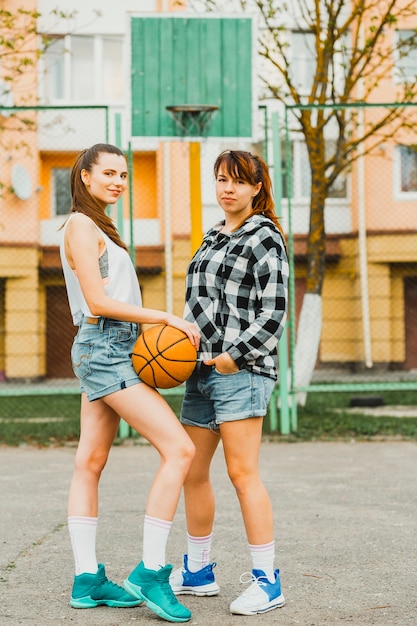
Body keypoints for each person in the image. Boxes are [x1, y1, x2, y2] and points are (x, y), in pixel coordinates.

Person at [60, 143, 200, 624]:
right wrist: (164, 316)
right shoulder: (80, 225)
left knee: (90, 461)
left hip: (112, 346)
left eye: (123, 174)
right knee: (180, 450)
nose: (119, 181)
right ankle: (152, 571)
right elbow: (97, 302)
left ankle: (87, 580)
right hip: (104, 346)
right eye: (109, 173)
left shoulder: (99, 227)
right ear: (84, 177)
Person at [169, 150, 289, 616]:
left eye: (238, 181)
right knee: (192, 472)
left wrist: (233, 358)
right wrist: (180, 349)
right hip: (198, 370)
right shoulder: (212, 236)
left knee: (242, 474)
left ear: (257, 188)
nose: (228, 189)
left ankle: (267, 581)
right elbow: (196, 307)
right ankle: (199, 571)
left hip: (241, 372)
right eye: (221, 179)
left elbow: (273, 314)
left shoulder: (265, 238)